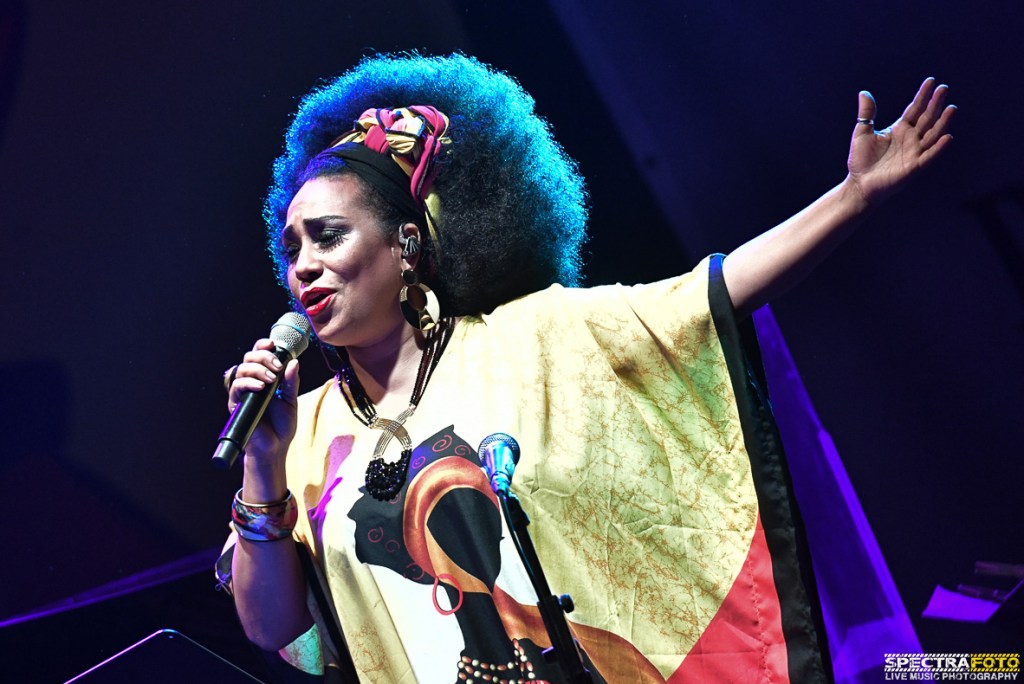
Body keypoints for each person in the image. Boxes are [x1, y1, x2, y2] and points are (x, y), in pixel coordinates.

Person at [216, 53, 954, 682]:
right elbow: (271, 628)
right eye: (291, 248)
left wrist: (852, 197)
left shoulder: (530, 337)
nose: (303, 266)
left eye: (328, 236)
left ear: (407, 245)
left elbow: (708, 295)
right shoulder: (298, 432)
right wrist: (261, 464)